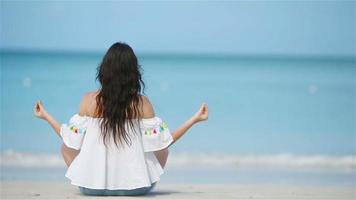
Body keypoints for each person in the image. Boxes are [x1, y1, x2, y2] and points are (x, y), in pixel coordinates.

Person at [33, 42, 208, 196]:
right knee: (162, 150)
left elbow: (69, 139)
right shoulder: (141, 103)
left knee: (66, 147)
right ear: (133, 72)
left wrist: (46, 116)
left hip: (91, 189)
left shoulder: (89, 100)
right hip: (136, 189)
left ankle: (91, 179)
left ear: (104, 70)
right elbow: (165, 142)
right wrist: (194, 119)